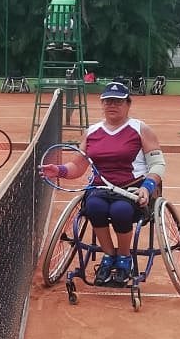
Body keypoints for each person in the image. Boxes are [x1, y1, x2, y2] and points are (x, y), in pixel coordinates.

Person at [41, 81, 167, 288]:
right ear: (102, 104)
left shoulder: (141, 129)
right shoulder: (92, 132)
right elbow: (77, 166)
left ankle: (124, 258)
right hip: (101, 189)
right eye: (107, 101)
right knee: (94, 207)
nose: (112, 105)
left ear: (128, 104)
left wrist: (148, 187)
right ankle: (109, 256)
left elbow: (158, 165)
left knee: (120, 211)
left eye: (117, 101)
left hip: (133, 189)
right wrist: (60, 170)